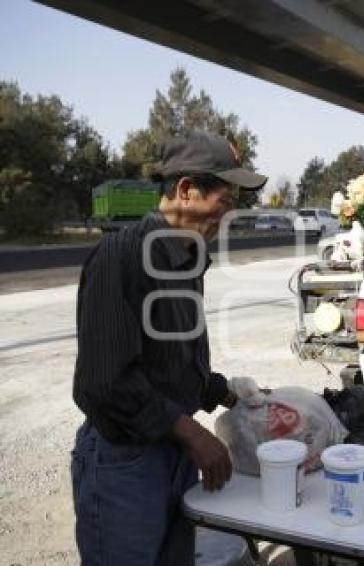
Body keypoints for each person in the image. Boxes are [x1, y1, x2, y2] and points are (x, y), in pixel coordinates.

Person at [71, 131, 267, 564]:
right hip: (125, 463)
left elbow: (170, 363)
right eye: (226, 201)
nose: (228, 215)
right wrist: (192, 431)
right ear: (186, 191)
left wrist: (231, 394)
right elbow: (103, 384)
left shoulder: (186, 258)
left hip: (171, 450)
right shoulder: (120, 257)